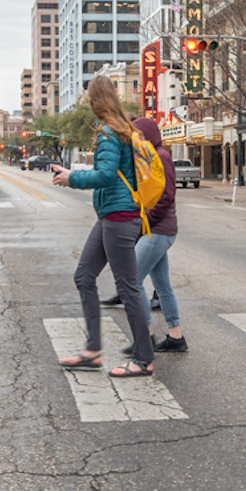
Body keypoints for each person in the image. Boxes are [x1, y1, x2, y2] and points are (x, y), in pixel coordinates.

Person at [51, 75, 155, 378]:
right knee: (84, 276)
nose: (86, 102)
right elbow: (110, 171)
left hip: (120, 216)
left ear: (96, 99)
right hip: (113, 213)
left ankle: (143, 358)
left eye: (88, 97)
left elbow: (107, 175)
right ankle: (93, 350)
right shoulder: (124, 130)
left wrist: (72, 179)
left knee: (127, 287)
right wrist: (76, 172)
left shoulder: (110, 131)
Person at [127, 117, 186, 353]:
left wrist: (144, 223)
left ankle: (146, 335)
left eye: (139, 135)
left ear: (149, 134)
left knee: (133, 280)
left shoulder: (160, 156)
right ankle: (176, 337)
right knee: (163, 286)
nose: (136, 140)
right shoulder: (150, 156)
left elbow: (166, 196)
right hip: (159, 229)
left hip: (159, 230)